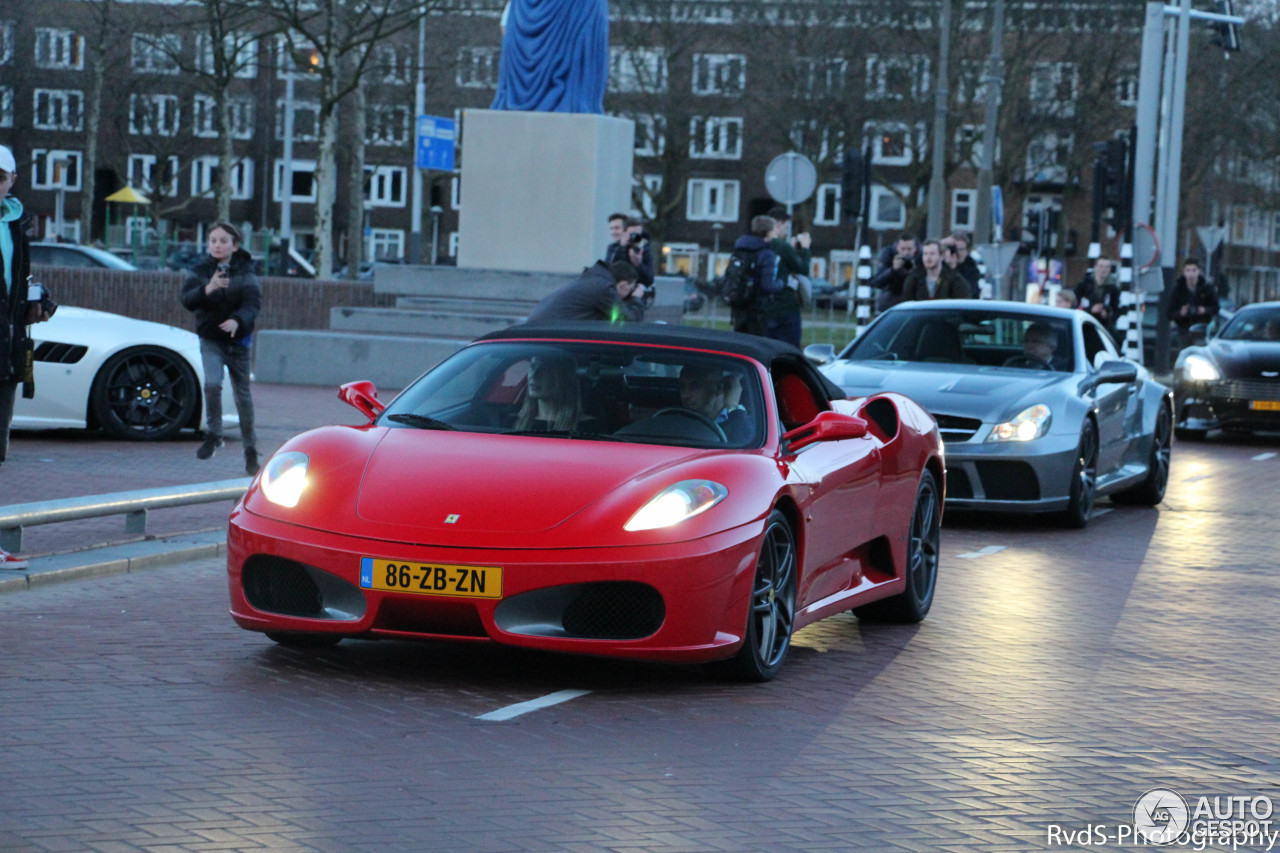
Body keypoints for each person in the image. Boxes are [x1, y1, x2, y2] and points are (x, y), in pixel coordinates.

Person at [1, 144, 56, 569]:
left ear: (12, 180)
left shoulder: (17, 224)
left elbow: (19, 282)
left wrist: (36, 302)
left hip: (7, 350)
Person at [181, 222, 262, 475]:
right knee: (213, 384)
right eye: (213, 241)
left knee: (243, 397)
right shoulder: (200, 270)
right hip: (211, 340)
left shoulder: (246, 271)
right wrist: (209, 288)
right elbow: (187, 300)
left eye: (223, 241)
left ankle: (250, 449)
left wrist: (238, 320)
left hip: (238, 344)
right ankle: (214, 435)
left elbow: (252, 304)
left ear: (234, 245)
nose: (218, 245)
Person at [527, 260, 644, 323]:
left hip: (541, 328)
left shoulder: (593, 280)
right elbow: (629, 320)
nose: (630, 293)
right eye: (631, 288)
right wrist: (637, 298)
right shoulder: (603, 288)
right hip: (547, 333)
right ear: (623, 285)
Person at [763, 207, 811, 348]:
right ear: (778, 224)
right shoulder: (782, 247)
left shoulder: (761, 245)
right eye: (786, 226)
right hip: (785, 307)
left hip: (763, 309)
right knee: (788, 351)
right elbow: (803, 269)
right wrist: (805, 249)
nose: (786, 231)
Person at [728, 215, 779, 337]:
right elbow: (767, 285)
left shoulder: (740, 248)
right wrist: (782, 283)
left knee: (740, 345)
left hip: (739, 305)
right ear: (768, 233)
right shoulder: (766, 253)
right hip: (757, 309)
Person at [677, 364, 751, 444]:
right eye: (682, 386)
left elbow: (747, 446)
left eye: (695, 386)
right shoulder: (678, 422)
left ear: (719, 388)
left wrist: (732, 406)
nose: (685, 395)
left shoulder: (745, 420)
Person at [512, 354, 586, 431]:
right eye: (532, 366)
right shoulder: (513, 422)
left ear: (563, 377)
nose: (534, 375)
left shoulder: (586, 427)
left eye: (543, 369)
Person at [1170, 257, 1220, 346]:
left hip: (1201, 330)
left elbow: (1216, 308)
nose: (1191, 274)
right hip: (1183, 330)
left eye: (1194, 270)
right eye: (1188, 270)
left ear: (1198, 271)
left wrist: (1204, 310)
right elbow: (1169, 312)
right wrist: (1180, 313)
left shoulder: (1207, 288)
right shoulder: (1178, 289)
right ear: (1184, 272)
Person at [901, 240, 971, 301]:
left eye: (932, 254)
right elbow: (906, 302)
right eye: (925, 254)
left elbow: (962, 305)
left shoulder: (955, 279)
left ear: (941, 256)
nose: (928, 257)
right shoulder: (914, 278)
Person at [869, 232, 920, 312]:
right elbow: (877, 282)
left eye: (909, 249)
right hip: (891, 299)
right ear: (897, 248)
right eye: (902, 249)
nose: (906, 253)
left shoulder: (921, 256)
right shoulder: (888, 254)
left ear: (915, 249)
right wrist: (893, 270)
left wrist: (914, 271)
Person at [603, 214, 654, 287]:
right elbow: (607, 273)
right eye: (632, 234)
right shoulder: (614, 248)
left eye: (637, 235)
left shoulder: (644, 250)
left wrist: (639, 265)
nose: (635, 237)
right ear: (624, 233)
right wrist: (622, 248)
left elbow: (649, 280)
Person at [1074, 257, 1120, 337]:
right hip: (1084, 324)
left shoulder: (1113, 289)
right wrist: (1090, 310)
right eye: (1101, 266)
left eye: (1107, 267)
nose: (1104, 269)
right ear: (1095, 267)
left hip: (1102, 328)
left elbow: (1116, 309)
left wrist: (1107, 314)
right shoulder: (1083, 284)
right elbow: (1075, 304)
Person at [950, 230, 983, 298]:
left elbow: (969, 291)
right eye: (955, 249)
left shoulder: (972, 271)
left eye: (961, 249)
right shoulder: (944, 267)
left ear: (967, 251)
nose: (958, 252)